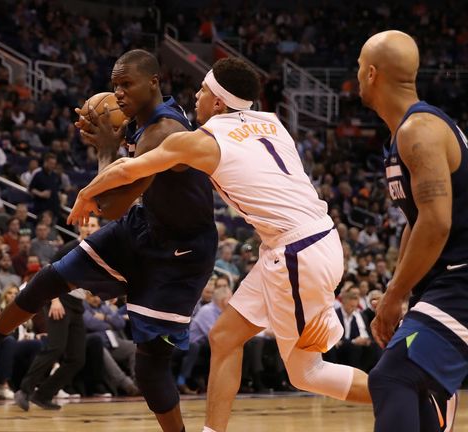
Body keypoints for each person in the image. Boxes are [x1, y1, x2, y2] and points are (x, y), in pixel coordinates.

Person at [66, 57, 373, 432]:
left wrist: (85, 193)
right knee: (225, 337)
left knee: (307, 372)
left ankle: (410, 394)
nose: (196, 96)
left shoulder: (204, 142)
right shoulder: (273, 123)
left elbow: (129, 169)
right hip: (309, 241)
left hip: (296, 251)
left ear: (217, 103)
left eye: (202, 90)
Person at [0, 50, 218, 432]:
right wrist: (111, 146)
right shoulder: (141, 119)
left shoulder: (162, 133)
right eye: (114, 85)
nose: (117, 93)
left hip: (180, 255)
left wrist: (104, 150)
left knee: (150, 368)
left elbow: (111, 205)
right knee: (50, 277)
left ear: (154, 82)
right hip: (144, 226)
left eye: (126, 84)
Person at [358, 30, 466, 432]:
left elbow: (437, 224)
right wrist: (400, 286)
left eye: (357, 68)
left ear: (371, 73)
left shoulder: (417, 131)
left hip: (461, 279)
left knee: (393, 377)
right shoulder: (402, 133)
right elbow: (417, 221)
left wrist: (394, 295)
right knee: (413, 388)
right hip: (445, 280)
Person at [14, 217, 100, 411]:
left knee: (77, 358)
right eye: (86, 225)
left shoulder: (98, 251)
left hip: (77, 303)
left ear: (100, 229)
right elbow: (48, 272)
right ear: (80, 228)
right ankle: (24, 390)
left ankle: (43, 394)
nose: (89, 228)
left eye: (93, 225)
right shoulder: (72, 247)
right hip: (59, 300)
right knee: (55, 347)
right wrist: (54, 300)